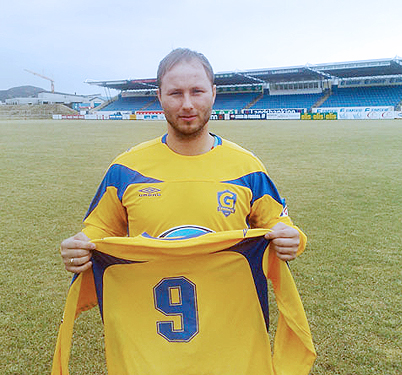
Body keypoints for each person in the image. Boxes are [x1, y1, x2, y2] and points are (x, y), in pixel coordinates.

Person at [60, 48, 306, 273]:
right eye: (176, 93)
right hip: (149, 316)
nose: (187, 104)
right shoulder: (125, 168)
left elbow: (278, 224)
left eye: (197, 91)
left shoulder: (248, 167)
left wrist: (293, 238)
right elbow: (100, 230)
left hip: (229, 316)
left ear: (213, 93)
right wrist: (81, 245)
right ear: (159, 96)